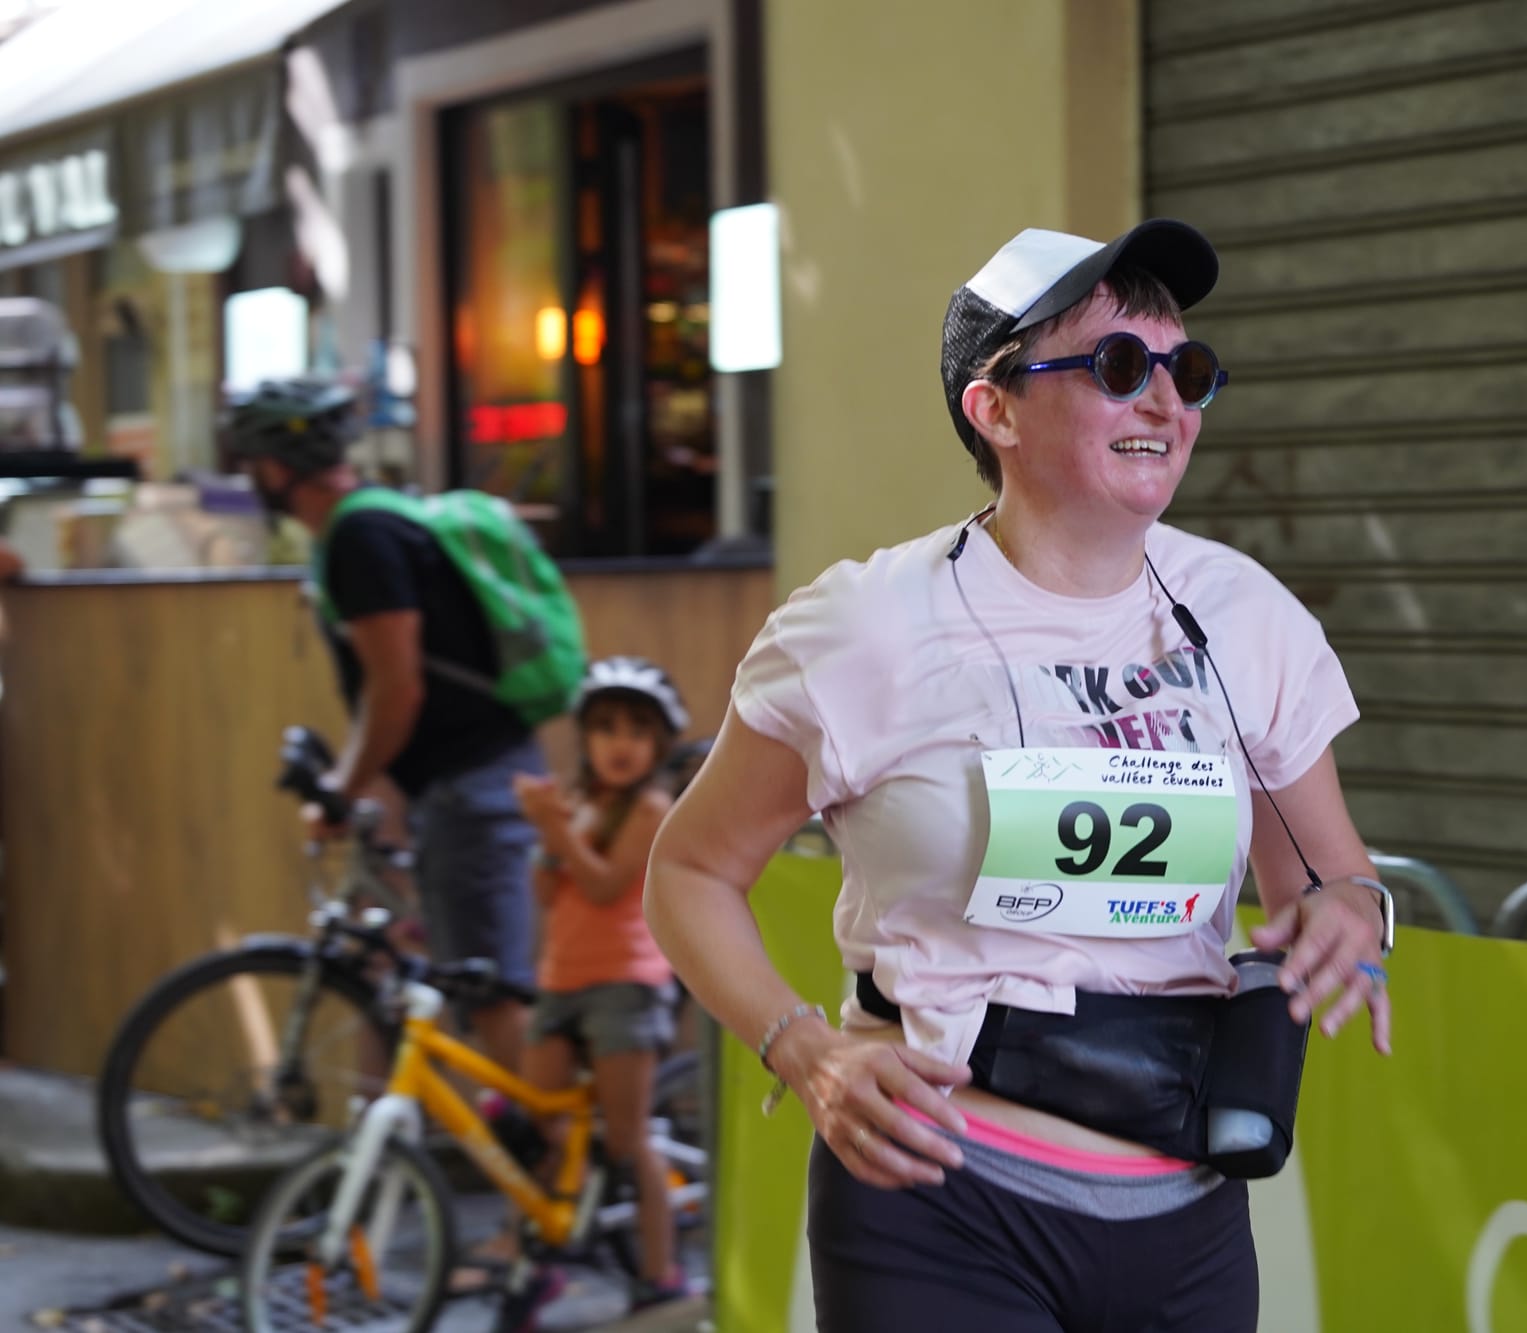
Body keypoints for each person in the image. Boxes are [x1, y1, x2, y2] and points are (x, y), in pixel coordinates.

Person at [644, 219, 1394, 1333]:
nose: (1164, 405)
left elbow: (1327, 886)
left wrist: (1354, 918)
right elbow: (689, 871)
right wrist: (803, 1052)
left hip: (1184, 1213)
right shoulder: (866, 625)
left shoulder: (1244, 614)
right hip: (940, 1199)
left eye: (1184, 372)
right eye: (1117, 368)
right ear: (992, 409)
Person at [224, 378, 544, 1073]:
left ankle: (560, 1165)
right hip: (464, 784)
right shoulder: (371, 523)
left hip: (473, 790)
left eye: (251, 465)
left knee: (492, 994)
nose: (253, 479)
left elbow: (397, 690)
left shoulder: (361, 538)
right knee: (459, 980)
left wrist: (343, 786)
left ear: (276, 467)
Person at [507, 655, 693, 1317]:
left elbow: (605, 885)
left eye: (637, 731)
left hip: (625, 984)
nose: (620, 742)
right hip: (561, 979)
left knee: (626, 1137)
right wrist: (548, 835)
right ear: (584, 737)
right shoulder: (579, 800)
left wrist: (555, 831)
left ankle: (660, 1270)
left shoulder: (650, 806)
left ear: (659, 746)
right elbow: (547, 888)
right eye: (606, 726)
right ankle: (550, 1250)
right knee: (540, 1117)